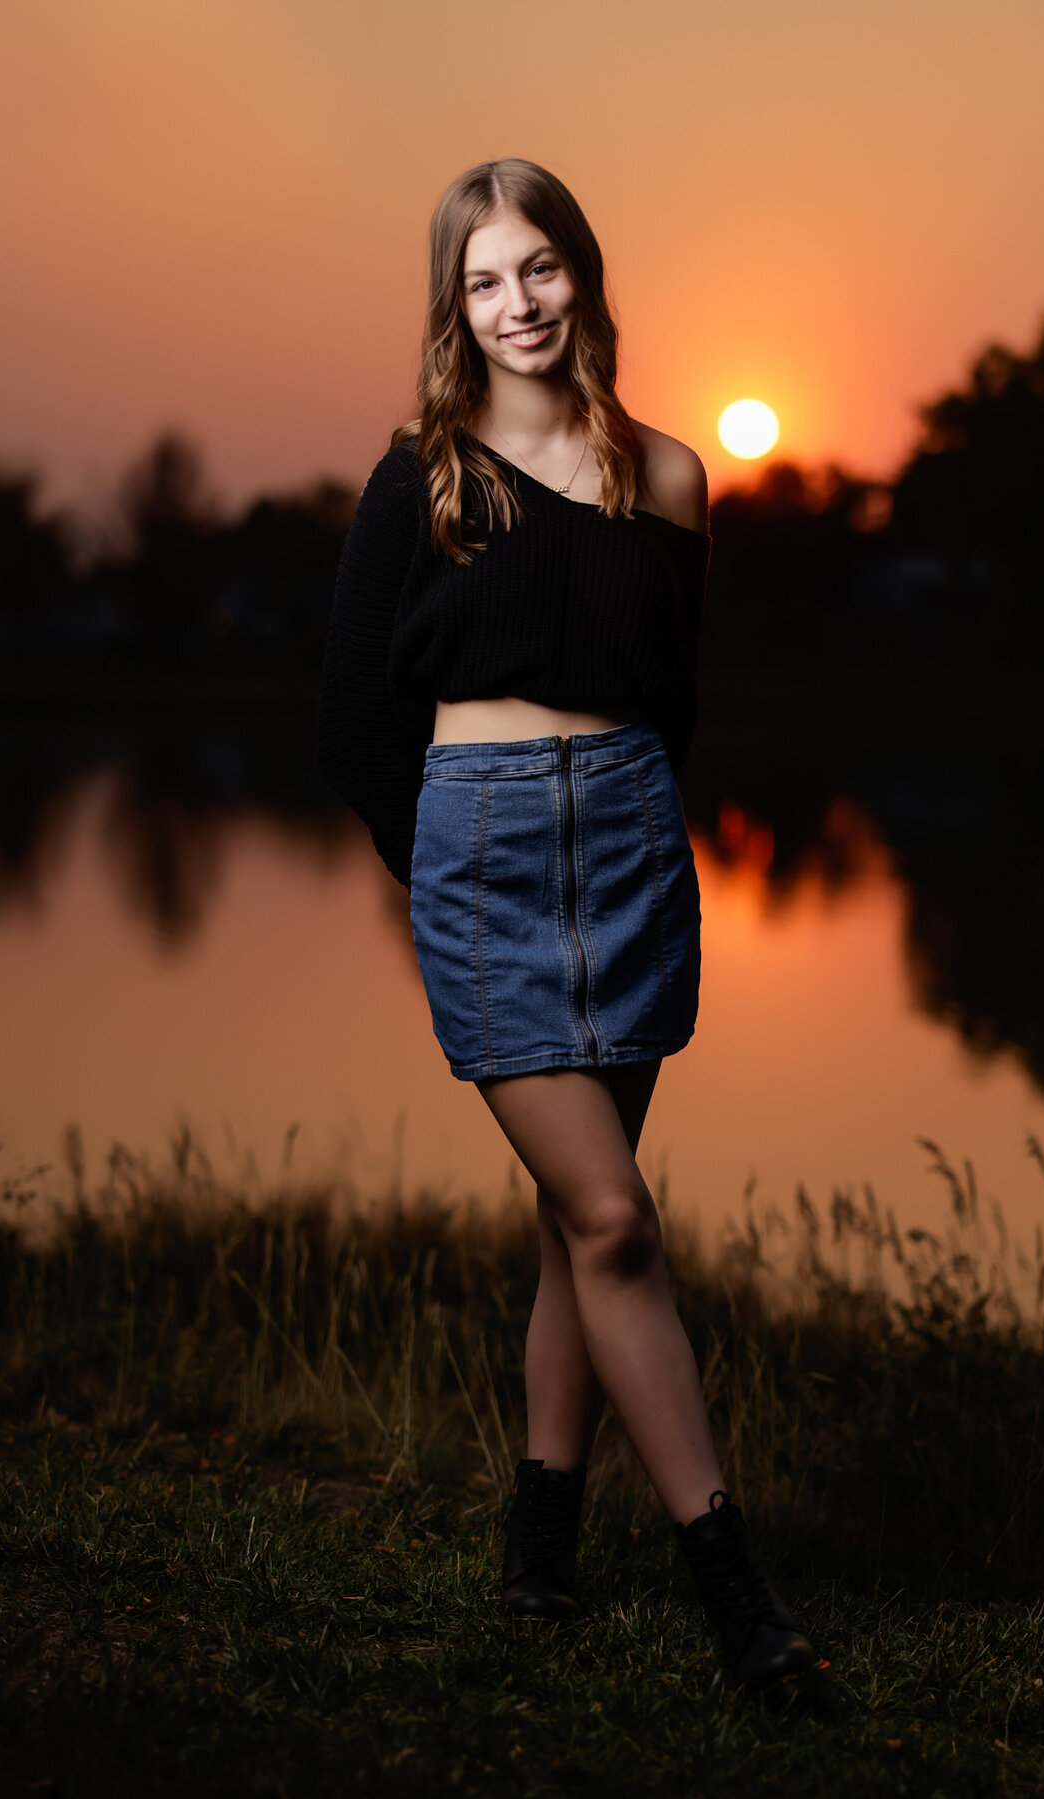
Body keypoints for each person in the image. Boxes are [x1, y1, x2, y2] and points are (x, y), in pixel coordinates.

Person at [317, 157, 829, 1705]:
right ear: (453, 306)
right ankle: (736, 1597)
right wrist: (445, 880)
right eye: (483, 280)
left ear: (582, 275)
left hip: (628, 844)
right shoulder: (425, 474)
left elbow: (670, 695)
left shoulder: (668, 478)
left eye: (537, 268)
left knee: (572, 1221)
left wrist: (626, 819)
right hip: (476, 854)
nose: (517, 303)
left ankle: (542, 1542)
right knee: (614, 1220)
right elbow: (355, 718)